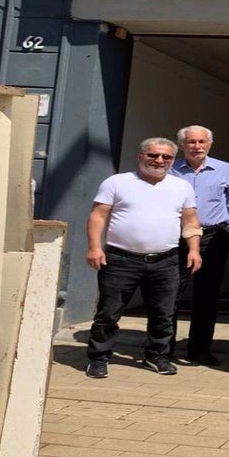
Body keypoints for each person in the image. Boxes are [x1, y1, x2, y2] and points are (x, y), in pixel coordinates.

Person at [85, 138, 203, 379]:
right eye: (153, 155)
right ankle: (98, 358)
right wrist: (95, 248)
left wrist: (194, 250)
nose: (159, 161)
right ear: (140, 156)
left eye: (166, 157)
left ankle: (156, 356)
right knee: (108, 312)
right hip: (120, 260)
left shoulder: (182, 187)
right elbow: (98, 216)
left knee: (163, 313)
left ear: (172, 160)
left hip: (166, 261)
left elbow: (190, 220)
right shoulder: (117, 182)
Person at [170, 125, 229, 367]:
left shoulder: (225, 169)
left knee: (207, 295)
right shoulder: (170, 169)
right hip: (176, 237)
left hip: (213, 237)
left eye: (201, 142)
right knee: (170, 293)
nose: (197, 146)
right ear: (181, 145)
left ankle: (199, 349)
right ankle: (163, 349)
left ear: (209, 144)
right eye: (191, 142)